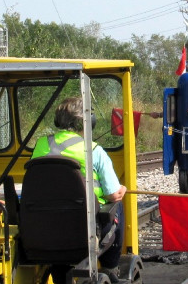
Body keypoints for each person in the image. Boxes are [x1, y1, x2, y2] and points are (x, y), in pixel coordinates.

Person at [30, 97, 127, 273]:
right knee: (117, 207)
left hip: (45, 225)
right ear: (88, 121)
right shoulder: (94, 150)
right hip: (84, 225)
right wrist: (122, 190)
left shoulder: (40, 145)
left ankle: (59, 271)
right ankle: (110, 267)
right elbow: (113, 195)